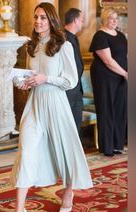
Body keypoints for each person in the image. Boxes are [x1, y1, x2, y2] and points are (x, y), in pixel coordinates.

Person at [5, 2, 93, 212]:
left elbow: (70, 80)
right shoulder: (31, 46)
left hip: (56, 103)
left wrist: (47, 79)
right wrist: (25, 82)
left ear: (51, 19)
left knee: (64, 151)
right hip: (35, 104)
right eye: (36, 17)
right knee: (26, 152)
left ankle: (68, 190)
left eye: (43, 17)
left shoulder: (63, 45)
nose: (38, 21)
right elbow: (31, 75)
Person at [89, 8, 128, 157]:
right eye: (111, 18)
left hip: (121, 77)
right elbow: (108, 60)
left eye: (116, 18)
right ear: (105, 19)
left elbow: (126, 55)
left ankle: (118, 144)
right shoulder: (100, 36)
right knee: (107, 110)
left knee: (120, 109)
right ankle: (107, 147)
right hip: (104, 77)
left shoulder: (121, 36)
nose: (114, 21)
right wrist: (125, 73)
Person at [64, 8, 85, 136]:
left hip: (76, 89)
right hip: (67, 91)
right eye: (82, 20)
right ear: (76, 21)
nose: (83, 23)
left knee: (75, 128)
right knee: (68, 130)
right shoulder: (63, 38)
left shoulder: (74, 38)